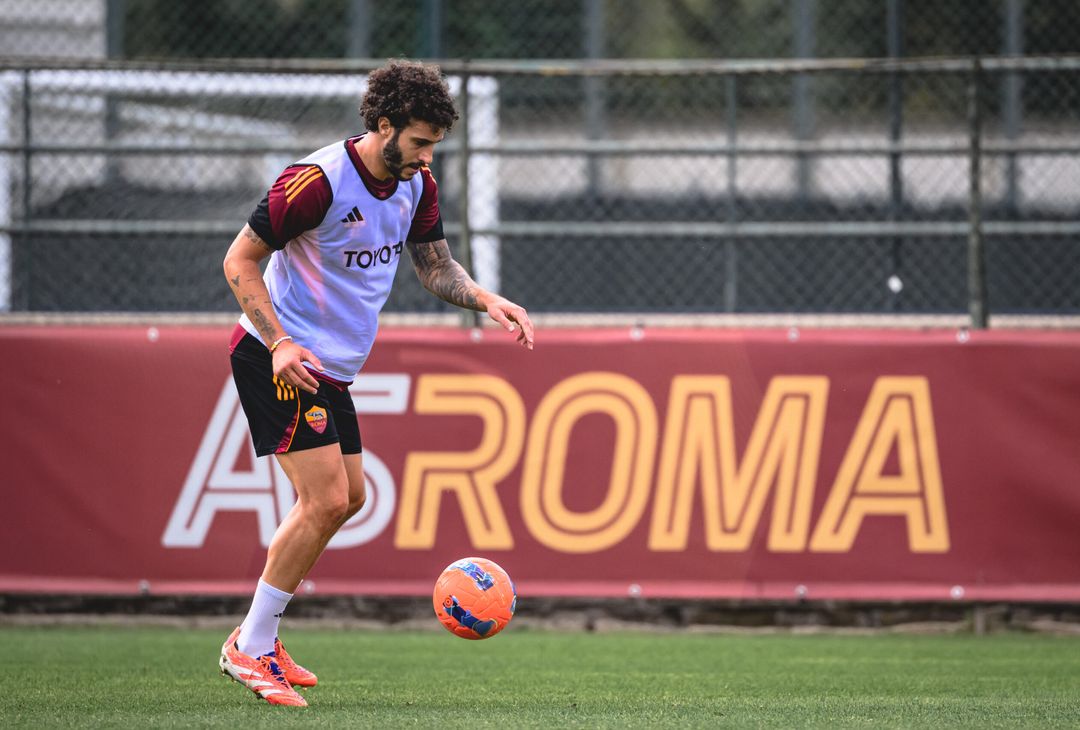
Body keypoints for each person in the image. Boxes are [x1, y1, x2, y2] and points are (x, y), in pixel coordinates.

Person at [218, 60, 534, 707]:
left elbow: (435, 268)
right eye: (418, 142)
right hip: (275, 356)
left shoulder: (418, 186)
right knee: (327, 500)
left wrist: (486, 299)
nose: (425, 157)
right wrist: (279, 342)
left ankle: (259, 637)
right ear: (383, 124)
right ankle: (250, 646)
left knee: (350, 498)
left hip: (330, 369)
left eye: (434, 146)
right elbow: (239, 260)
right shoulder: (314, 182)